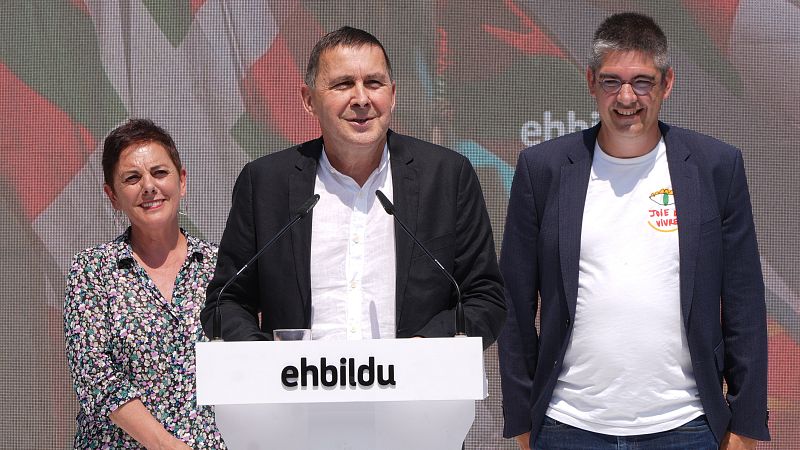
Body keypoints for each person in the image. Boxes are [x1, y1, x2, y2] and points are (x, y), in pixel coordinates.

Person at [497, 13, 768, 450]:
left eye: (643, 82)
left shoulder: (716, 167)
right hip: (567, 425)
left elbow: (744, 301)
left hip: (688, 426)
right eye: (612, 81)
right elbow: (514, 301)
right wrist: (522, 420)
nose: (627, 97)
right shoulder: (543, 169)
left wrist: (747, 425)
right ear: (591, 82)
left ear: (667, 83)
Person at [201, 26, 505, 348]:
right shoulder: (265, 183)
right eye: (343, 84)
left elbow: (484, 299)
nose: (361, 99)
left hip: (416, 379)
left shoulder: (446, 176)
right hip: (297, 379)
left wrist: (421, 350)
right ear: (308, 100)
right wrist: (270, 360)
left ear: (393, 95)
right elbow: (226, 302)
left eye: (374, 83)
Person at [64, 119, 226, 449]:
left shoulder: (221, 267)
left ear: (182, 181)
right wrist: (166, 445)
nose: (149, 186)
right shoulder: (93, 271)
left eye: (159, 172)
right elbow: (95, 376)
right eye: (132, 178)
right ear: (112, 195)